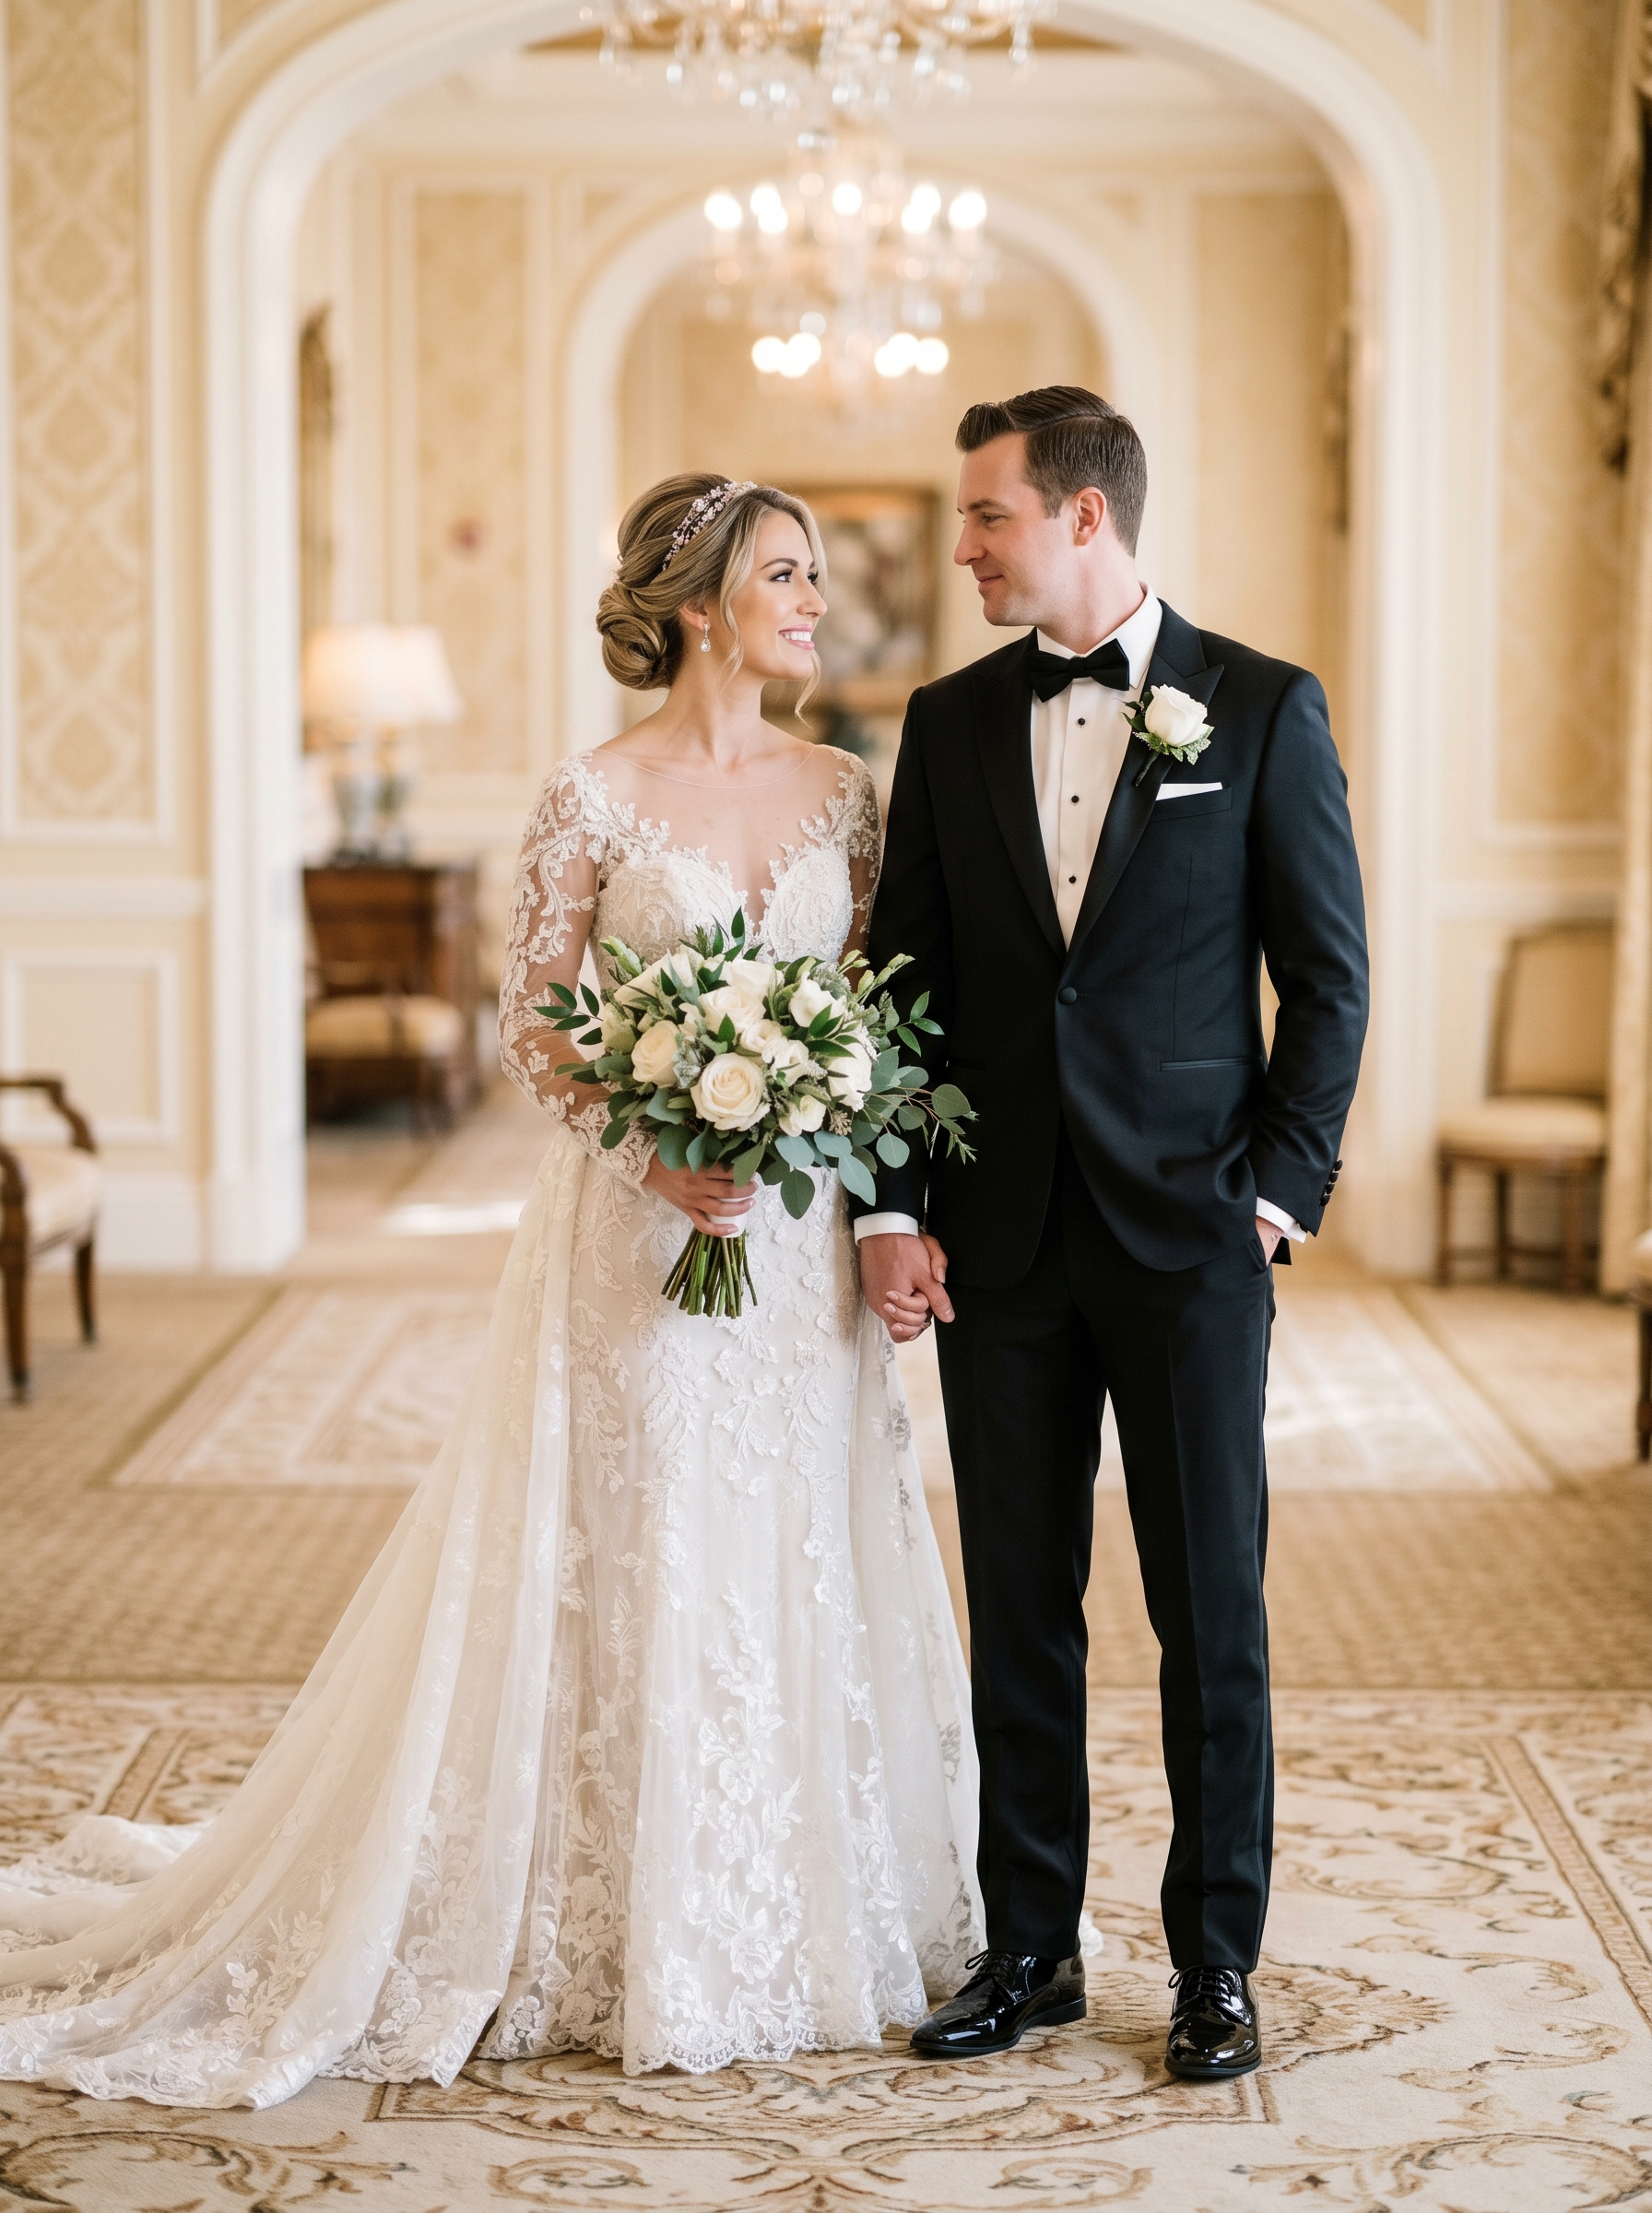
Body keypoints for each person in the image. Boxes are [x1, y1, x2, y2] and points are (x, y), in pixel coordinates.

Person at [0, 475, 981, 2103]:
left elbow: (877, 1008)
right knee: (640, 1534)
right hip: (634, 1237)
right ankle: (602, 1917)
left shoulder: (846, 795)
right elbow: (532, 1019)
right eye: (790, 577)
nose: (819, 602)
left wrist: (834, 1144)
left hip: (794, 1234)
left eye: (816, 575)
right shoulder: (589, 796)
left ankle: (800, 1904)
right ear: (698, 605)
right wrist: (651, 1143)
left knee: (796, 1533)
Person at [856, 387, 1369, 2079]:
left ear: (1086, 516)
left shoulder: (1267, 709)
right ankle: (1031, 1948)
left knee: (1211, 1612)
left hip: (1195, 1241)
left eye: (989, 516)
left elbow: (1329, 984)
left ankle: (1216, 1964)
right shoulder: (944, 722)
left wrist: (1280, 1194)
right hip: (999, 1245)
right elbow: (904, 987)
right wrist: (894, 1202)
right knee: (1021, 1605)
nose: (967, 547)